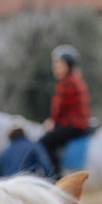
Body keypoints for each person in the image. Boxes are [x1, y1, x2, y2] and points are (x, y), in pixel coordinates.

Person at [38, 44, 91, 177]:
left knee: (44, 142)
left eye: (58, 64)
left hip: (74, 125)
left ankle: (56, 177)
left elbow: (58, 110)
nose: (55, 67)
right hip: (79, 124)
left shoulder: (67, 83)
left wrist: (51, 123)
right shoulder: (77, 80)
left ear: (68, 65)